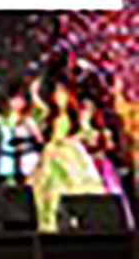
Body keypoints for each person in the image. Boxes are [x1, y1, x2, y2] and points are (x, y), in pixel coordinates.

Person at [27, 80, 106, 232]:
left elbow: (87, 134)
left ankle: (78, 221)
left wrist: (77, 135)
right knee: (49, 190)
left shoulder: (74, 116)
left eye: (62, 93)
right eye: (56, 93)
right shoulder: (52, 115)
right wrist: (34, 93)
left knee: (76, 187)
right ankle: (50, 223)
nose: (59, 97)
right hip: (52, 156)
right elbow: (38, 111)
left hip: (70, 155)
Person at [78, 96, 135, 229]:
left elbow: (109, 146)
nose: (84, 112)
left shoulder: (103, 126)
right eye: (82, 108)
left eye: (88, 108)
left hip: (102, 167)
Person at [0, 85, 43, 185]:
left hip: (28, 158)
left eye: (18, 99)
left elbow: (39, 139)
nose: (14, 102)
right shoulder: (9, 118)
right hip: (13, 160)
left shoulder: (27, 119)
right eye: (13, 99)